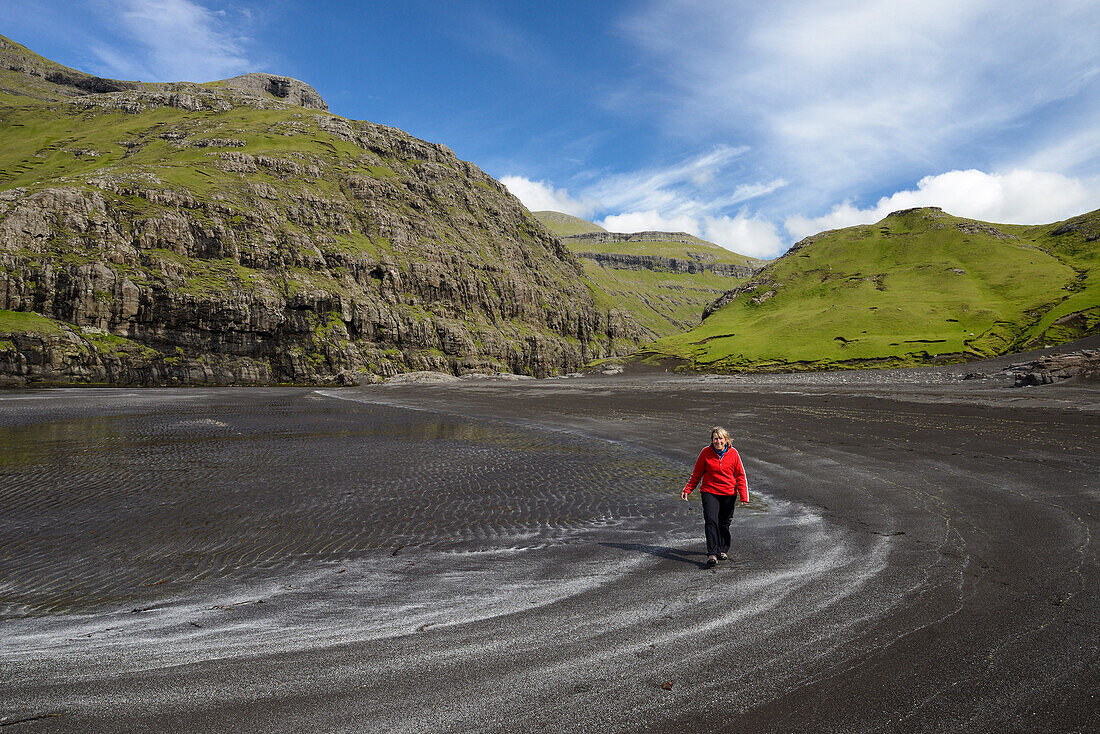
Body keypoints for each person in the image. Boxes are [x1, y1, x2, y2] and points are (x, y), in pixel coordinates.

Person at [681, 426, 749, 566]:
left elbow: (740, 476)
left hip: (728, 494)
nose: (718, 441)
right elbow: (697, 474)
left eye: (720, 438)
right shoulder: (705, 453)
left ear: (726, 440)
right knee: (711, 520)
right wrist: (688, 489)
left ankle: (723, 549)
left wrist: (744, 496)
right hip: (709, 492)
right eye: (715, 438)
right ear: (712, 440)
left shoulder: (733, 453)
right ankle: (712, 553)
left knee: (724, 523)